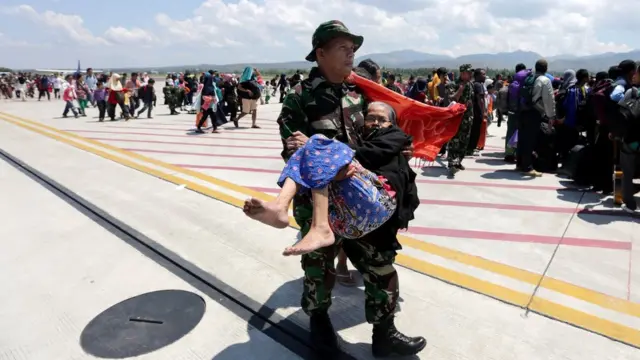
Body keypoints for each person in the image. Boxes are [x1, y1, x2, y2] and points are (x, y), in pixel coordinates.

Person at [276, 20, 425, 358]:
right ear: (321, 53)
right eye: (343, 48)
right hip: (320, 206)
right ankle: (320, 330)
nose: (351, 54)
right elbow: (294, 153)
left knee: (381, 266)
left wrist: (397, 148)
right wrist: (321, 153)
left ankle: (384, 334)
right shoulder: (299, 99)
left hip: (361, 200)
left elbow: (374, 137)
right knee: (319, 270)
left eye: (353, 48)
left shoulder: (359, 94)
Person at [245, 101, 416, 257]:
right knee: (311, 149)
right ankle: (281, 205)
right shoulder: (361, 137)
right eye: (371, 118)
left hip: (380, 202)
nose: (376, 123)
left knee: (317, 142)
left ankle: (315, 225)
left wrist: (320, 145)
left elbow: (371, 153)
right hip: (350, 222)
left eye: (382, 119)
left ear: (392, 124)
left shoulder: (395, 135)